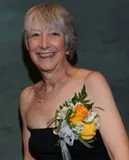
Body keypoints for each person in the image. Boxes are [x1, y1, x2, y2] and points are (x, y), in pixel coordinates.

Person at [20, 2, 129, 160]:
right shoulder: (27, 97)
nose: (43, 44)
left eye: (54, 34)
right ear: (28, 45)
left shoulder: (91, 82)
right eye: (35, 35)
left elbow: (120, 153)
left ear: (68, 45)